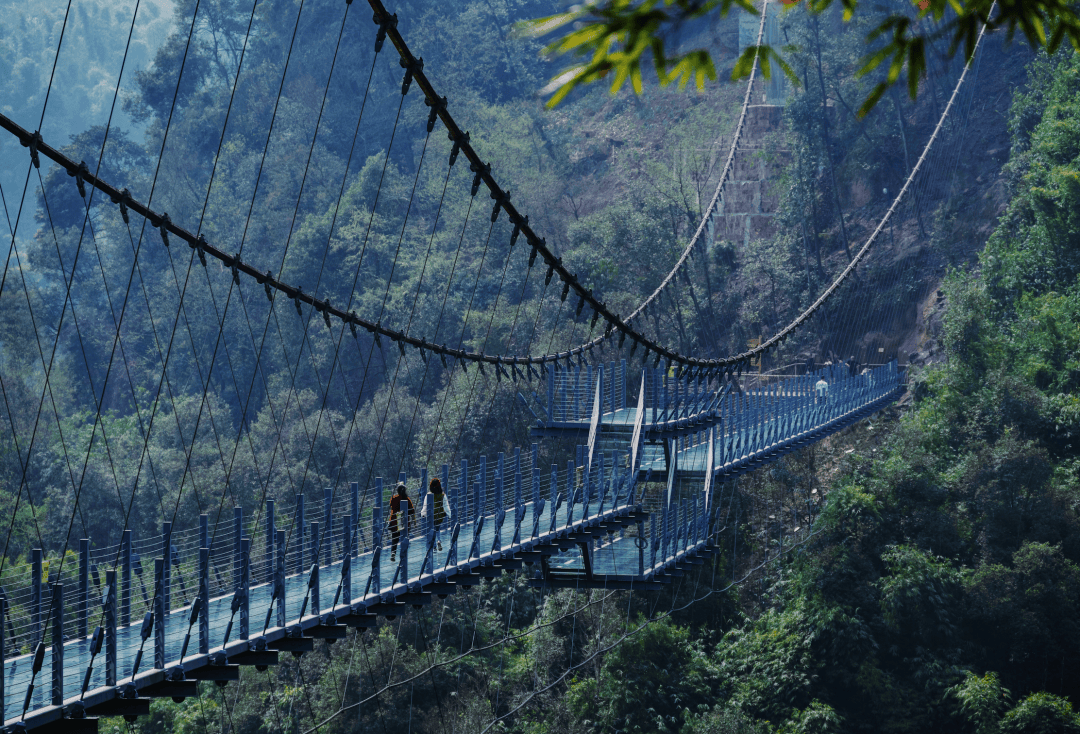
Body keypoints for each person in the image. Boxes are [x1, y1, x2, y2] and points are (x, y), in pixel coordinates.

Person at [388, 482, 414, 562]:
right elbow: (412, 511)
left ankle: (393, 553)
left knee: (394, 539)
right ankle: (403, 556)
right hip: (404, 523)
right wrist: (414, 521)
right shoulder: (407, 499)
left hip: (394, 522)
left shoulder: (393, 498)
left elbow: (391, 505)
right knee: (404, 539)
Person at [428, 477, 448, 551]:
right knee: (437, 529)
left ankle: (434, 546)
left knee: (432, 529)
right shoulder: (442, 495)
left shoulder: (430, 495)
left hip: (432, 514)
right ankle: (439, 540)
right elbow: (445, 504)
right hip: (440, 514)